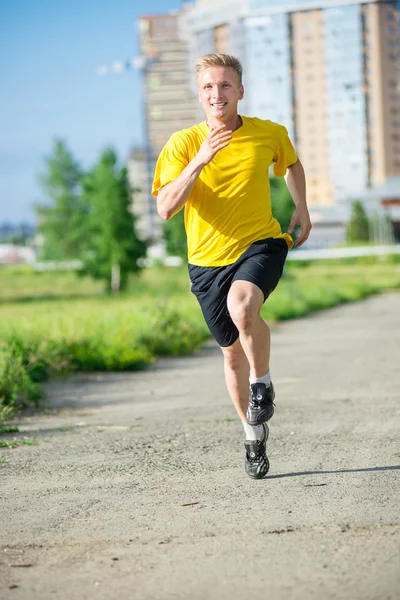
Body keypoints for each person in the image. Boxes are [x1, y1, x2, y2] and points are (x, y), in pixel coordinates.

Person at [152, 53, 312, 479]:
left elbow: (291, 162)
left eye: (225, 85)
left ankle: (264, 383)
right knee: (230, 357)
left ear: (240, 91)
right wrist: (200, 159)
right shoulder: (183, 144)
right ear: (199, 94)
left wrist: (302, 209)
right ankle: (252, 435)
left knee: (244, 307)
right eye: (208, 86)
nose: (216, 93)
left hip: (260, 243)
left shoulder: (268, 133)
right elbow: (166, 207)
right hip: (206, 262)